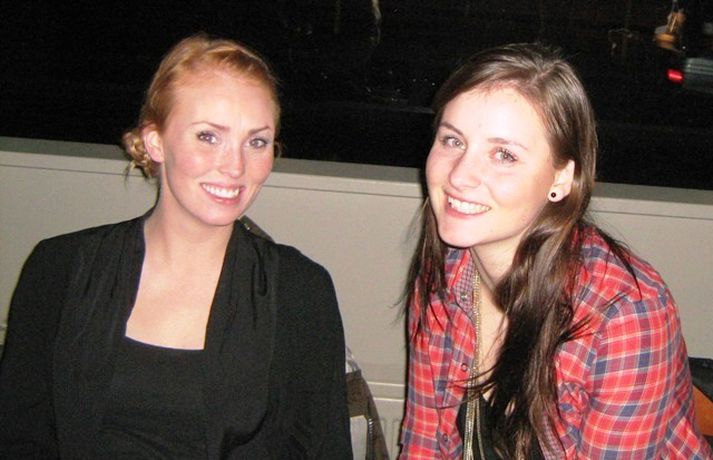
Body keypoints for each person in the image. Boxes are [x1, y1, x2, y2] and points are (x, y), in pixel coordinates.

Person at [0, 34, 352, 459]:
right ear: (155, 141)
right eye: (208, 136)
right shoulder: (59, 268)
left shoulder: (300, 291)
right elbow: (19, 437)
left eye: (256, 142)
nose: (235, 166)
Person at [398, 42, 713, 459]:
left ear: (561, 179)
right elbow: (423, 445)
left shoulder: (624, 317)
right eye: (453, 140)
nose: (459, 176)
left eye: (504, 154)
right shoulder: (445, 273)